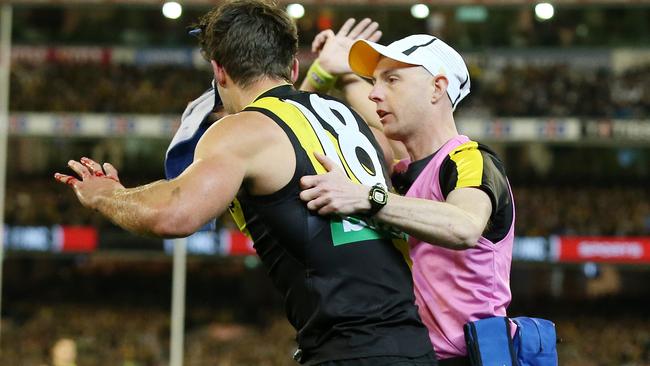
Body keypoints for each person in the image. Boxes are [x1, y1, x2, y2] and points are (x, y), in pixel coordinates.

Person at [54, 2, 436, 365]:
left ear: (219, 71)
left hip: (352, 349)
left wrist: (109, 195)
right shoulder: (345, 116)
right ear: (292, 67)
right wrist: (344, 75)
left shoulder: (242, 129)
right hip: (412, 339)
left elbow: (174, 214)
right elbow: (396, 154)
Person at [299, 34, 515, 366]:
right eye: (373, 81)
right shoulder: (406, 168)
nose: (374, 93)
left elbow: (464, 226)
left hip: (467, 358)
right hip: (415, 355)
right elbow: (355, 113)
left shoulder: (469, 161)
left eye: (392, 79)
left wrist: (368, 197)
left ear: (437, 88)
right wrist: (332, 71)